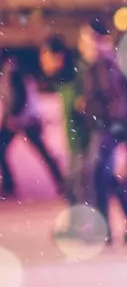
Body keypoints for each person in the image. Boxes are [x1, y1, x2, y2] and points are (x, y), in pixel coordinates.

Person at [78, 21, 127, 245]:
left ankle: (106, 230)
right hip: (106, 128)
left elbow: (114, 99)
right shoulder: (106, 62)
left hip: (105, 130)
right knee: (106, 179)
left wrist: (109, 126)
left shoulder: (103, 64)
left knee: (98, 178)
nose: (82, 44)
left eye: (85, 39)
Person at [0, 55, 65, 198]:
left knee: (3, 149)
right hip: (25, 118)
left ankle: (9, 184)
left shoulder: (11, 72)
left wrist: (13, 117)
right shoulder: (13, 70)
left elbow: (17, 96)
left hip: (21, 119)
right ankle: (61, 182)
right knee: (42, 151)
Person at [40, 37, 88, 210]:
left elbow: (89, 106)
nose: (44, 63)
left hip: (85, 142)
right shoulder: (63, 80)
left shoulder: (79, 76)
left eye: (46, 58)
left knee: (77, 188)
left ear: (59, 57)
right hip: (74, 143)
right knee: (76, 188)